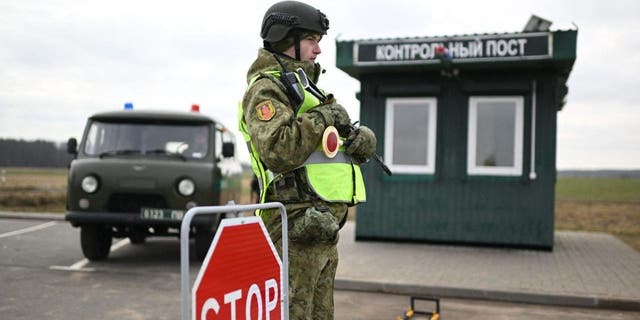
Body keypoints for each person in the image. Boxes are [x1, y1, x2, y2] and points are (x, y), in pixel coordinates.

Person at [238, 1, 377, 319]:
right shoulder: (266, 91)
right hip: (294, 228)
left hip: (320, 229)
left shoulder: (307, 90)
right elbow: (279, 150)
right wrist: (325, 115)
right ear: (287, 38)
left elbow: (327, 147)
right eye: (312, 40)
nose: (318, 50)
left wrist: (360, 141)